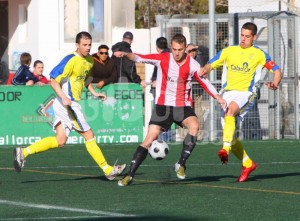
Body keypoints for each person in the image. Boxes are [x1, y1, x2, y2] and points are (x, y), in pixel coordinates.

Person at [113, 33, 226, 186]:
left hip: (182, 106)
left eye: (180, 50)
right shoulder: (163, 58)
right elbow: (139, 57)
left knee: (195, 126)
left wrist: (218, 97)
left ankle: (180, 164)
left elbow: (205, 82)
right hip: (163, 106)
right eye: (174, 49)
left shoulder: (192, 64)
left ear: (185, 48)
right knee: (149, 139)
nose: (176, 53)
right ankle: (130, 175)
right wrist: (126, 54)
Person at [13, 31, 126, 180]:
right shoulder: (70, 60)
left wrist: (94, 92)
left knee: (60, 140)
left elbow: (85, 78)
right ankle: (107, 169)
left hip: (66, 104)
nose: (87, 47)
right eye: (84, 45)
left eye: (89, 44)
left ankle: (24, 152)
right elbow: (52, 79)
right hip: (68, 104)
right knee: (89, 135)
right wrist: (64, 97)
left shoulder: (89, 61)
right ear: (77, 45)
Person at [199, 22, 282, 182]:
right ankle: (248, 163)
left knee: (230, 111)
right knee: (232, 136)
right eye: (242, 35)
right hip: (227, 93)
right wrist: (205, 69)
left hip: (246, 93)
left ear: (254, 37)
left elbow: (276, 70)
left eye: (247, 36)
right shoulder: (229, 51)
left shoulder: (259, 54)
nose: (243, 39)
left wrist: (275, 83)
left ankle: (224, 149)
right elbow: (211, 63)